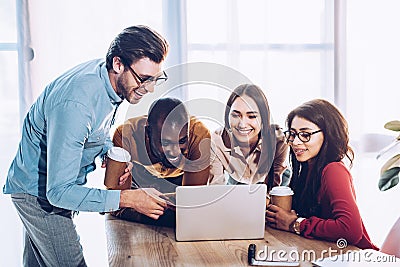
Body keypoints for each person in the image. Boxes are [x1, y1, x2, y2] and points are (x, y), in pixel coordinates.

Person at [3, 25, 170, 266]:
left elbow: (93, 128)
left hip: (46, 189)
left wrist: (106, 151)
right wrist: (128, 199)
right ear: (118, 64)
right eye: (144, 79)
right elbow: (59, 192)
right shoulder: (76, 104)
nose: (150, 88)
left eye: (156, 79)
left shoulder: (109, 81)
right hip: (39, 195)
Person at [266, 99, 378, 250]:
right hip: (326, 253)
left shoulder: (334, 170)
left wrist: (295, 224)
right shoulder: (305, 170)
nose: (295, 142)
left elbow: (351, 230)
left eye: (305, 134)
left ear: (328, 134)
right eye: (292, 134)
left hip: (358, 257)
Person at [111, 97, 211, 226]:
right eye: (166, 142)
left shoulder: (199, 135)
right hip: (140, 180)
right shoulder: (125, 135)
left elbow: (193, 201)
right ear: (148, 133)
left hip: (180, 180)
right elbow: (118, 200)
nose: (175, 152)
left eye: (181, 141)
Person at [208, 84, 289, 191]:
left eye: (252, 116)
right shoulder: (216, 141)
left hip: (275, 182)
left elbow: (274, 188)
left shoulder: (278, 140)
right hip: (235, 180)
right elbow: (216, 189)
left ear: (263, 118)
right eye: (236, 115)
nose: (242, 124)